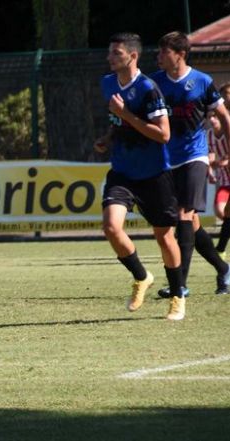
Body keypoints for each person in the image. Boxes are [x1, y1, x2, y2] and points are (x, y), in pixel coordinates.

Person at [96, 32, 185, 320]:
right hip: (122, 172)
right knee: (111, 227)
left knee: (165, 238)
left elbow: (163, 134)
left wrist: (128, 115)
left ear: (133, 56)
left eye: (116, 54)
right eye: (110, 53)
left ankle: (177, 295)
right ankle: (141, 276)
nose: (110, 58)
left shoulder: (149, 89)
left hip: (154, 175)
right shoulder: (108, 83)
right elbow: (117, 123)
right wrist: (107, 139)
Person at [152, 32, 230, 299]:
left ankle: (179, 285)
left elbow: (224, 116)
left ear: (180, 54)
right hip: (166, 159)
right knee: (190, 223)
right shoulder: (155, 83)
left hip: (195, 156)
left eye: (164, 52)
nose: (159, 56)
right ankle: (223, 268)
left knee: (184, 215)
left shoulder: (202, 81)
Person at [212, 83, 230, 259]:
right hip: (225, 181)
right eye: (224, 93)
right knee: (221, 211)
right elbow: (210, 153)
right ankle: (220, 249)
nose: (227, 97)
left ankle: (220, 249)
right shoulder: (213, 131)